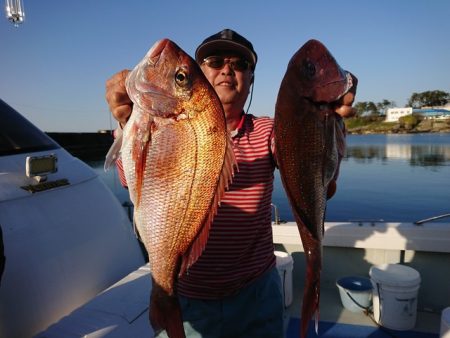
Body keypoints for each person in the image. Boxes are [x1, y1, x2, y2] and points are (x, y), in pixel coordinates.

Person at [105, 28, 356, 338]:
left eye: (240, 64)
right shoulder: (159, 124)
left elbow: (303, 160)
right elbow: (131, 181)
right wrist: (126, 123)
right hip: (189, 296)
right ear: (201, 73)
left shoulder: (266, 132)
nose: (227, 69)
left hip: (257, 292)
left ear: (251, 79)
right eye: (214, 61)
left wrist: (326, 114)